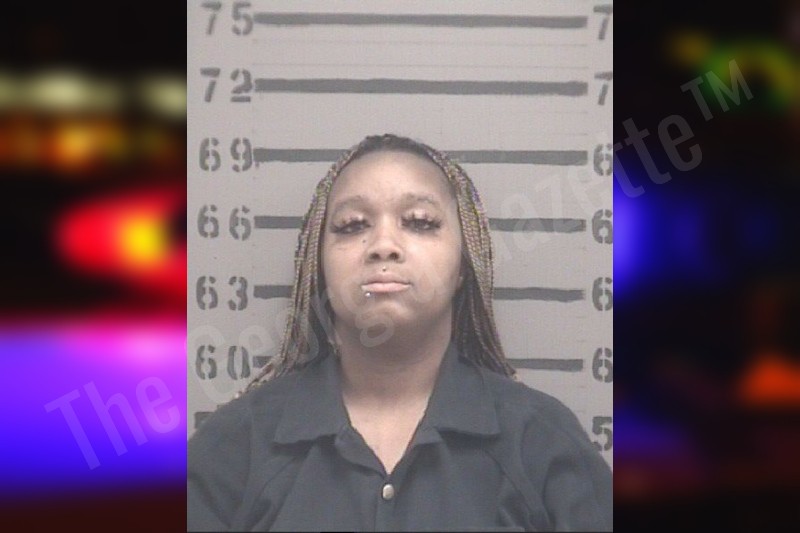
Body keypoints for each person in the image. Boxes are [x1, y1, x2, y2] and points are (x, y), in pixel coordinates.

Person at [187, 134, 612, 531]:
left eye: (420, 222)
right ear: (318, 266)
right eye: (353, 225)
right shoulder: (233, 448)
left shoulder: (542, 442)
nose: (383, 245)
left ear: (463, 265)